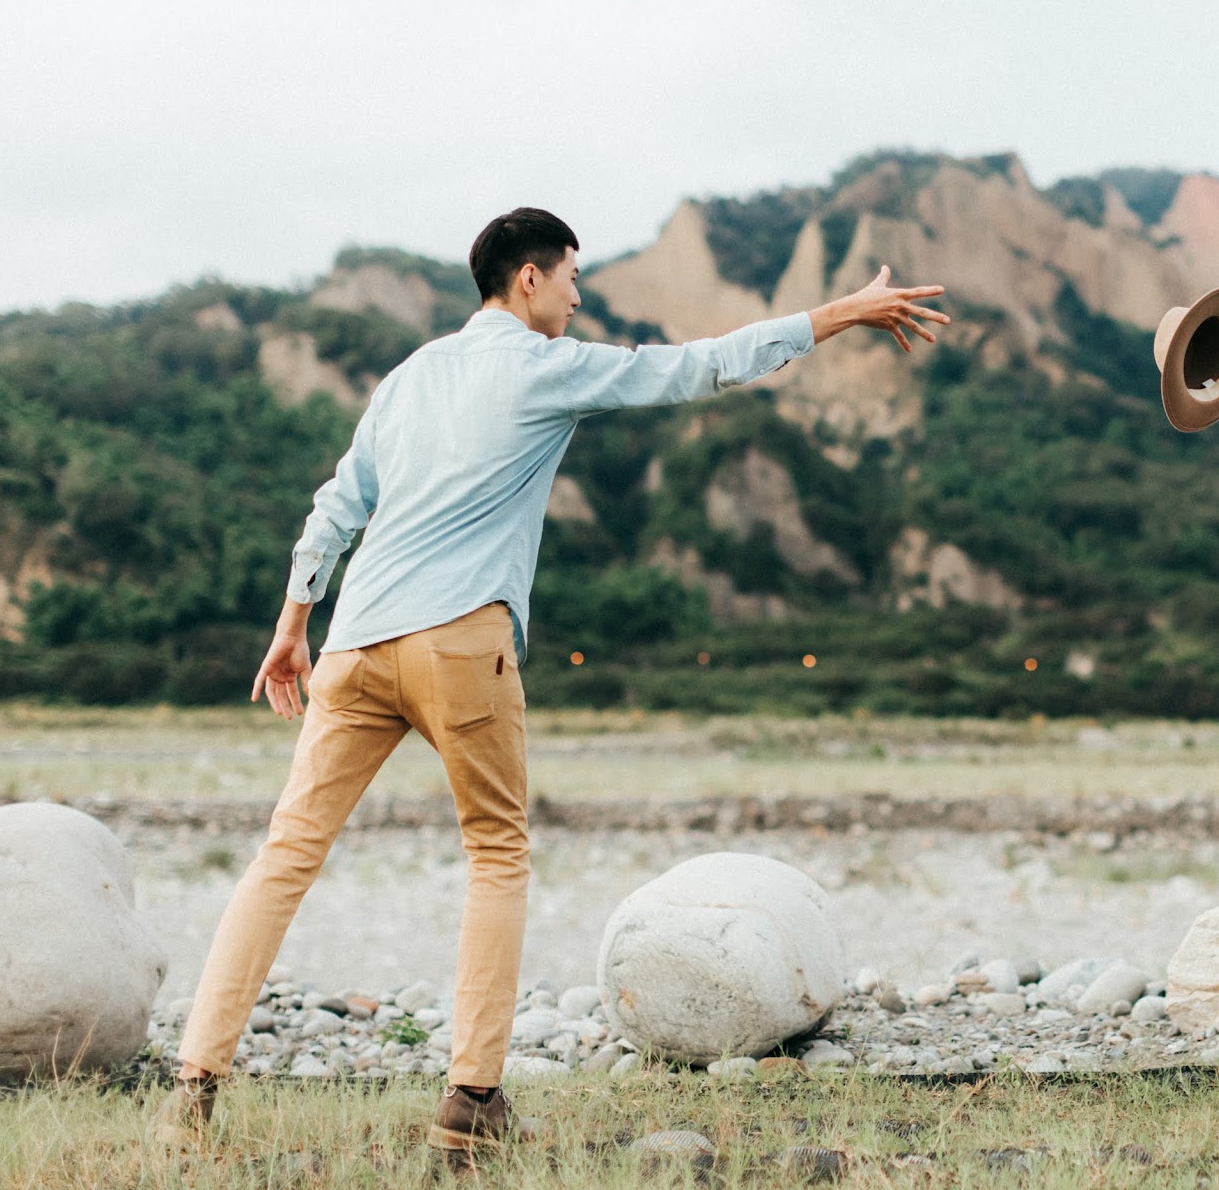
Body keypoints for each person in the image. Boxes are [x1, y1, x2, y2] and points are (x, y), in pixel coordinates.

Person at [155, 207, 950, 1161]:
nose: (580, 294)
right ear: (526, 280)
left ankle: (194, 1084)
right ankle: (471, 1100)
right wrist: (838, 315)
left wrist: (293, 622)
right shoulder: (544, 367)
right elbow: (698, 366)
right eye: (571, 276)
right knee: (495, 853)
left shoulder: (407, 379)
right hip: (459, 641)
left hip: (354, 645)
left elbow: (338, 505)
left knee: (283, 858)